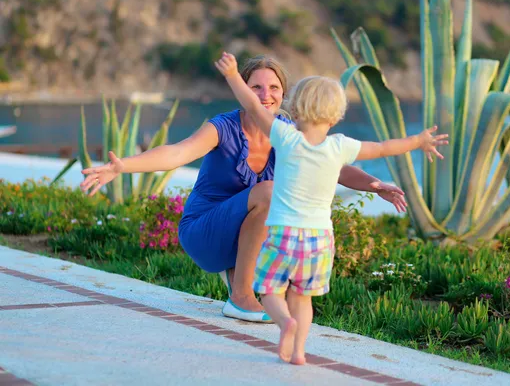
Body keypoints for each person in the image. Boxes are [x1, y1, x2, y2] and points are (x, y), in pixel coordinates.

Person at [79, 54, 409, 323]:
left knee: (285, 209)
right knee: (268, 192)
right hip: (204, 230)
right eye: (256, 87)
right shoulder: (223, 127)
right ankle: (239, 297)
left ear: (285, 94)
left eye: (274, 87)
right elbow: (178, 153)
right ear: (244, 91)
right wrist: (121, 166)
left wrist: (375, 186)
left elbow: (334, 164)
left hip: (249, 231)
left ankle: (245, 277)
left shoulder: (287, 132)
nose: (266, 95)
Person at [214, 52, 448, 364]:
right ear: (336, 116)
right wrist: (417, 141)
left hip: (284, 233)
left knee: (271, 290)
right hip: (320, 240)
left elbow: (253, 106)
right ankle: (298, 350)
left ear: (294, 109)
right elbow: (382, 148)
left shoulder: (285, 137)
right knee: (302, 297)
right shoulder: (340, 146)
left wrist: (232, 74)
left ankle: (284, 323)